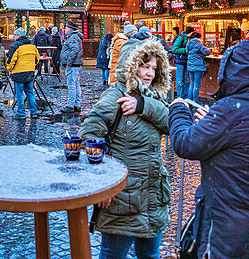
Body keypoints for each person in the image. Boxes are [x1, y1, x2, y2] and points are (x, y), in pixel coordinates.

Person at [79, 41, 171, 259]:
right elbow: (89, 134)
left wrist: (143, 105)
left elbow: (171, 124)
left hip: (153, 195)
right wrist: (104, 183)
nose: (149, 73)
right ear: (131, 66)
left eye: (154, 68)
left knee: (150, 255)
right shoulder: (115, 95)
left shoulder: (153, 96)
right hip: (123, 197)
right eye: (144, 66)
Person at [168, 40, 249, 259]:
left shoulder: (229, 111)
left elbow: (185, 143)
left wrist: (178, 111)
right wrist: (213, 125)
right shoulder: (229, 114)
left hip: (227, 224)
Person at [6, 28, 39, 120]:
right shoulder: (32, 45)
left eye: (15, 35)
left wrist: (9, 69)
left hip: (18, 73)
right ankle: (34, 112)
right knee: (30, 93)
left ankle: (21, 113)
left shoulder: (16, 45)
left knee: (19, 94)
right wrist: (32, 67)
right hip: (30, 72)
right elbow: (37, 58)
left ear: (18, 35)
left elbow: (10, 60)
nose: (14, 36)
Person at [60, 21, 84, 113]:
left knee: (71, 85)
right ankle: (76, 104)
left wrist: (69, 63)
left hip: (73, 65)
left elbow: (75, 50)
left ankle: (70, 105)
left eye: (65, 28)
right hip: (75, 64)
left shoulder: (73, 37)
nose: (64, 30)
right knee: (76, 84)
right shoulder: (74, 37)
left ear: (69, 28)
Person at [185, 29, 211, 102]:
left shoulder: (188, 43)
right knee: (196, 84)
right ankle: (195, 101)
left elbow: (187, 52)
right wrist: (210, 50)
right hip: (198, 66)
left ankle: (190, 99)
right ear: (199, 38)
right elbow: (206, 52)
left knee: (192, 83)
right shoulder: (198, 43)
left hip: (190, 66)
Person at [169, 26, 191, 98]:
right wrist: (185, 50)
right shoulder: (180, 38)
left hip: (186, 61)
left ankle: (185, 97)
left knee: (186, 80)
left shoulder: (190, 39)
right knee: (180, 80)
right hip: (179, 61)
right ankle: (179, 97)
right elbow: (174, 49)